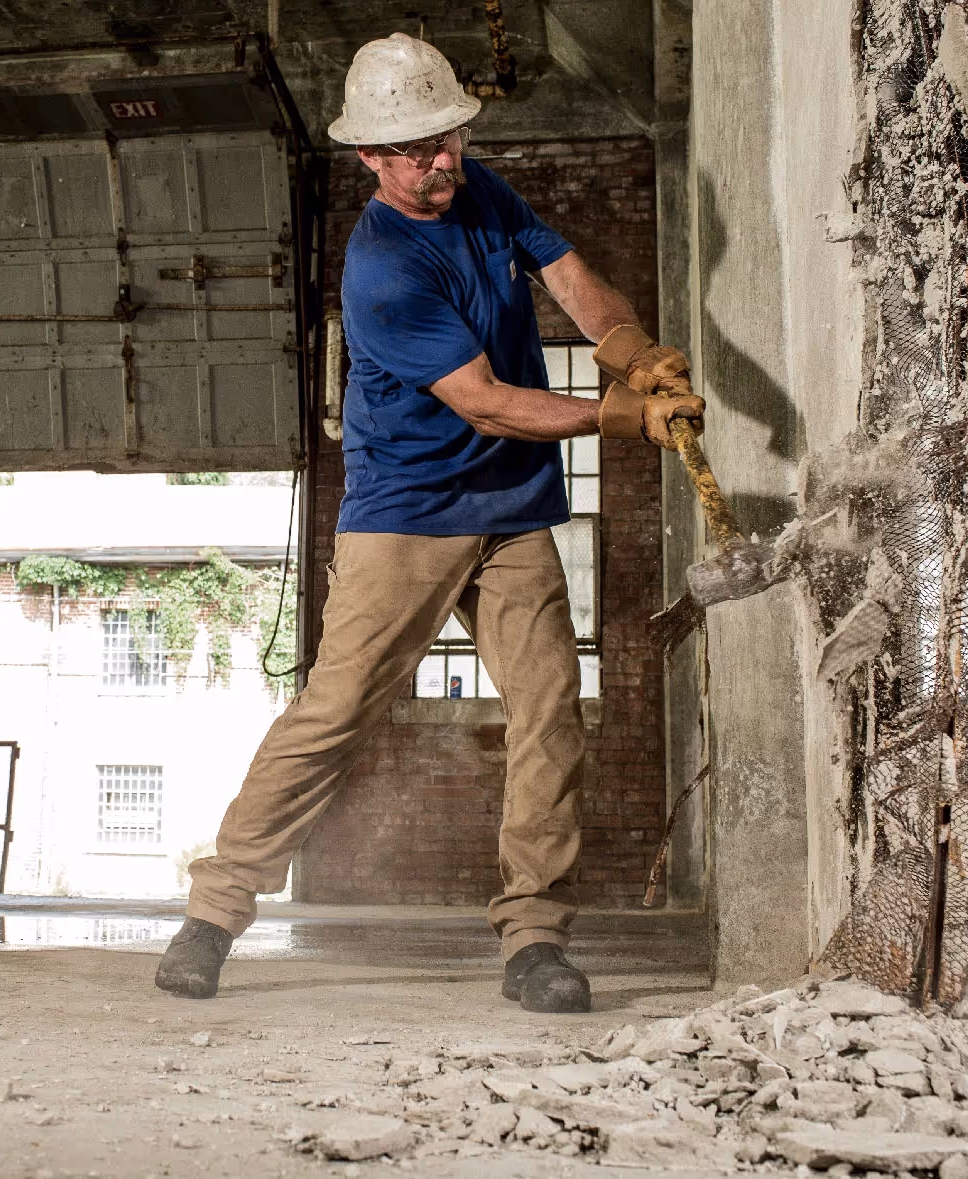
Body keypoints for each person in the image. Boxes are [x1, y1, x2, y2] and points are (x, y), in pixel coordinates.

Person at [155, 32, 705, 1012]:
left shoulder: (480, 190)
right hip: (403, 516)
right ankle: (212, 913)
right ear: (369, 157)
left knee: (547, 713)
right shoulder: (379, 270)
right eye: (412, 151)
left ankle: (533, 940)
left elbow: (569, 277)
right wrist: (621, 415)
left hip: (510, 515)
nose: (437, 162)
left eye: (445, 139)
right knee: (331, 719)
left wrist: (630, 348)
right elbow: (487, 402)